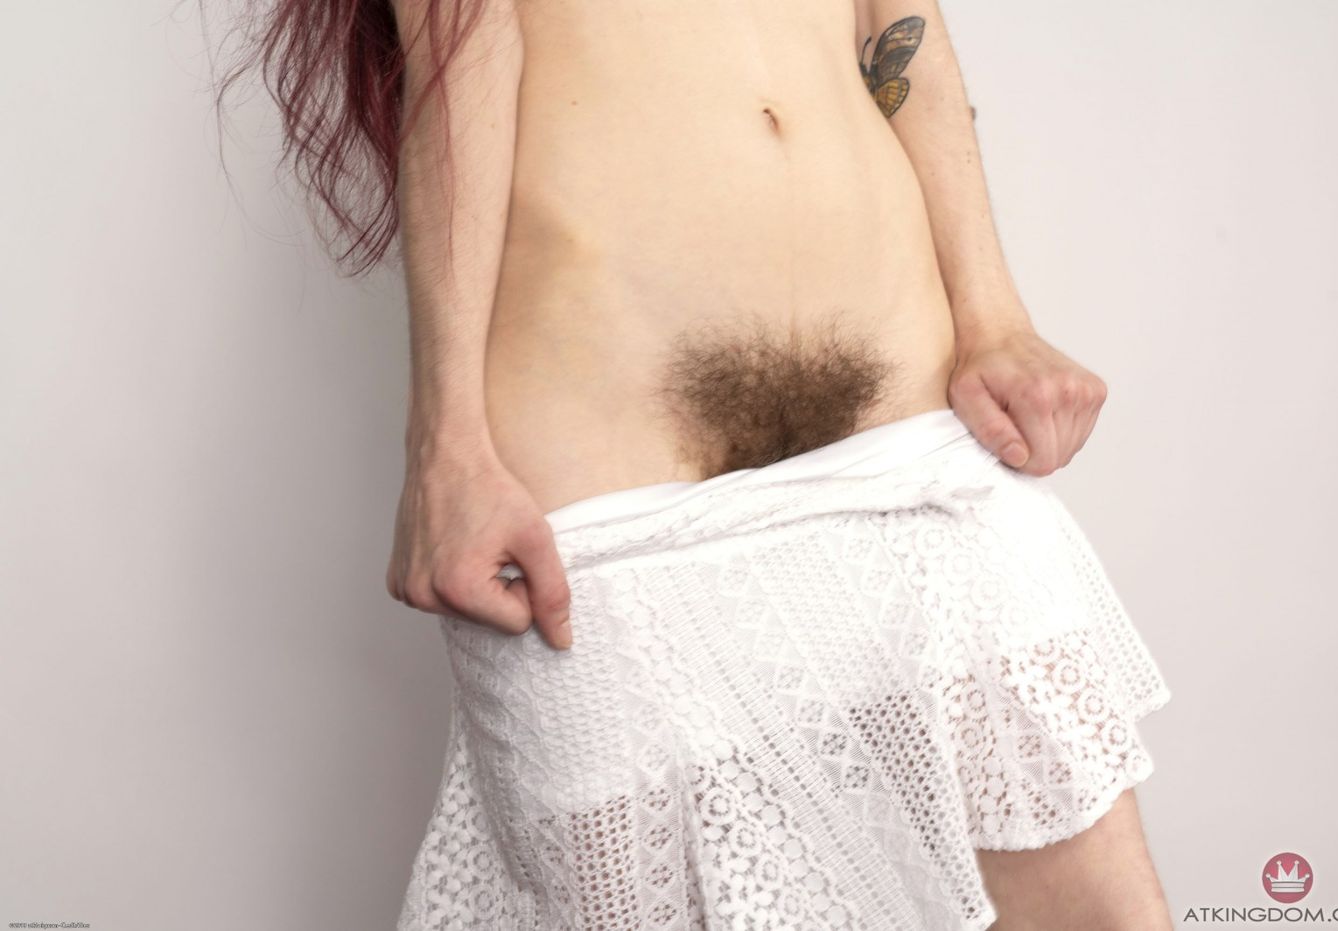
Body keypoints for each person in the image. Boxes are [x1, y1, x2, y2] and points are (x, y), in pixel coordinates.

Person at [224, 0, 1174, 926]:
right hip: (612, 500)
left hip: (914, 447)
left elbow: (897, 23)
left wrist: (996, 317)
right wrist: (445, 446)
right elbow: (458, 54)